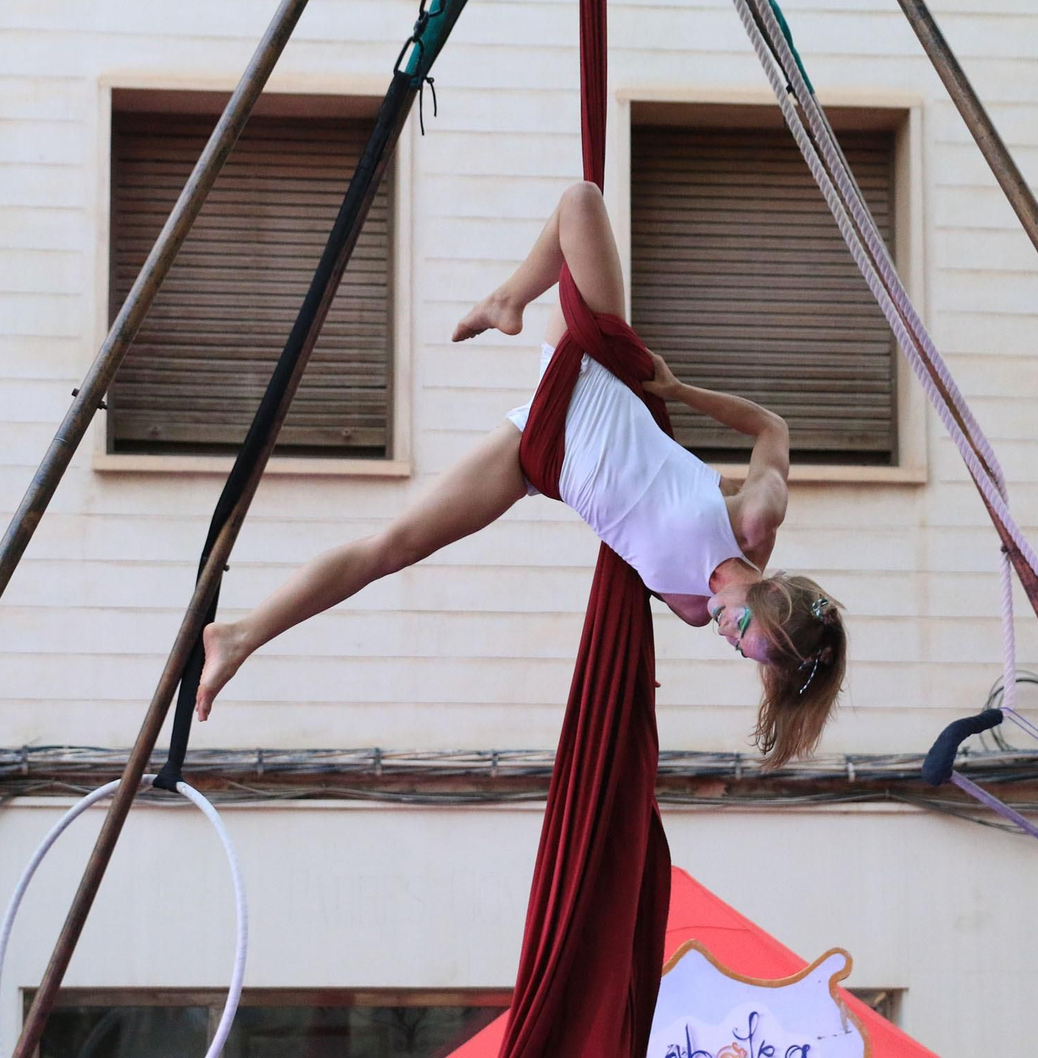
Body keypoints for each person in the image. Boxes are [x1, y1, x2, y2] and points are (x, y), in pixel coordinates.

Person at [196, 182, 846, 768]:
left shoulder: (693, 609)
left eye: (739, 651)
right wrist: (679, 392)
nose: (726, 635)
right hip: (593, 379)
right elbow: (773, 429)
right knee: (580, 203)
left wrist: (631, 670)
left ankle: (241, 635)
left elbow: (635, 553)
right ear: (770, 600)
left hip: (539, 457)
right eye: (742, 632)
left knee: (391, 548)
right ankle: (507, 298)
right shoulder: (753, 521)